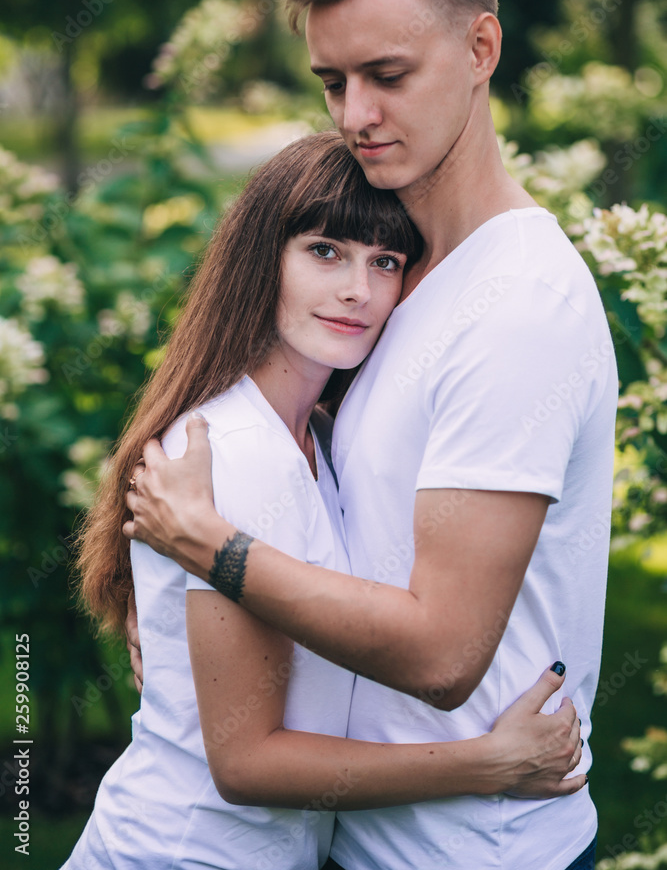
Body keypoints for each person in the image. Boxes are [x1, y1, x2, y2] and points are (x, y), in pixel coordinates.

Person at [125, 0, 617, 870]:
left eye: (387, 76)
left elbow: (442, 655)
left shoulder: (517, 304)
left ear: (481, 48)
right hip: (361, 833)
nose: (353, 115)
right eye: (332, 82)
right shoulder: (394, 275)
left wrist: (214, 551)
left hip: (477, 849)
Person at [65, 131, 583, 870]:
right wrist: (487, 762)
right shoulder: (240, 453)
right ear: (260, 258)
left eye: (385, 263)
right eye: (324, 251)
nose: (358, 291)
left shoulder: (314, 439)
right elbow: (245, 766)